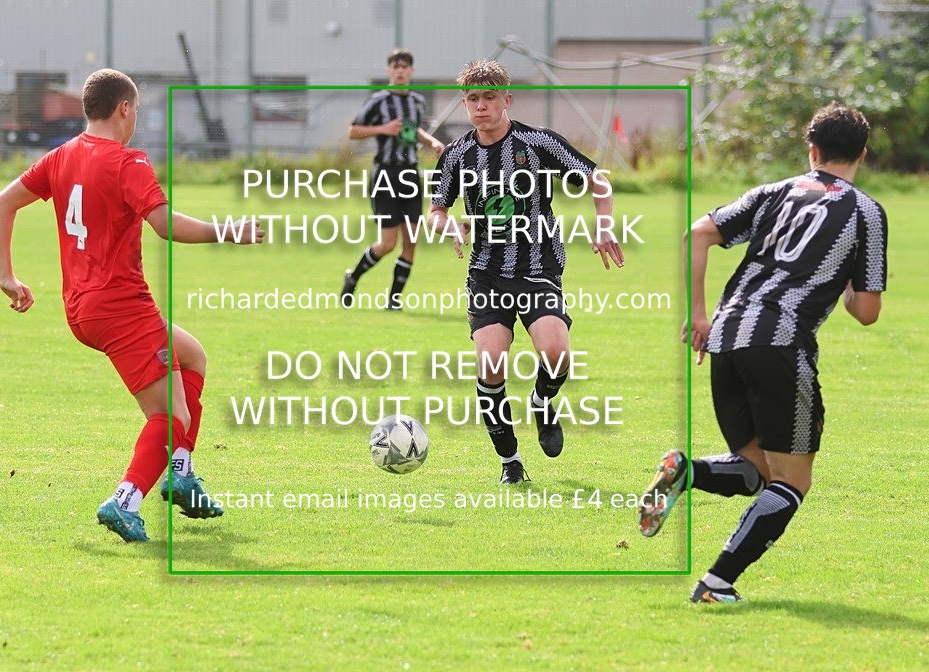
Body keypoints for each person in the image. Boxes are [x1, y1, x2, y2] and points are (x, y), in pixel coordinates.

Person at [0, 68, 264, 543]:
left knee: (192, 355)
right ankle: (125, 501)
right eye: (135, 109)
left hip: (83, 308)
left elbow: (1, 204)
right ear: (124, 109)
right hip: (120, 308)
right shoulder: (126, 161)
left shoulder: (61, 156)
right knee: (171, 417)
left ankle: (182, 474)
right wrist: (229, 231)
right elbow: (163, 224)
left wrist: (7, 277)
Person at [639, 103, 887, 602]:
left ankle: (687, 472)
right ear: (862, 153)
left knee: (757, 470)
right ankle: (716, 583)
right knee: (792, 482)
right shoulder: (865, 212)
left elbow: (698, 234)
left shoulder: (776, 192)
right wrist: (844, 280)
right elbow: (867, 311)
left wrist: (699, 314)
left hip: (726, 336)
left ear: (811, 150)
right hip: (781, 342)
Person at [427, 59, 624, 484]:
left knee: (556, 352)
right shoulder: (457, 154)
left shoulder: (537, 143)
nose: (481, 106)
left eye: (490, 98)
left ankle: (542, 400)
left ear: (507, 99)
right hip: (486, 273)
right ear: (465, 103)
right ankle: (510, 462)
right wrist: (451, 227)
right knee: (490, 363)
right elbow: (435, 210)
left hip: (538, 267)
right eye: (473, 99)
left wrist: (604, 225)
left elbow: (599, 181)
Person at [341, 48, 445, 311]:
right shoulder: (378, 101)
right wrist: (383, 129)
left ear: (411, 71)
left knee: (411, 241)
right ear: (389, 71)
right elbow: (353, 131)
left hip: (410, 174)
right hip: (385, 174)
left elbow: (414, 129)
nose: (400, 71)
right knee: (388, 243)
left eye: (405, 66)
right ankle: (352, 278)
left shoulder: (417, 102)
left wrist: (431, 141)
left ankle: (394, 301)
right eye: (395, 67)